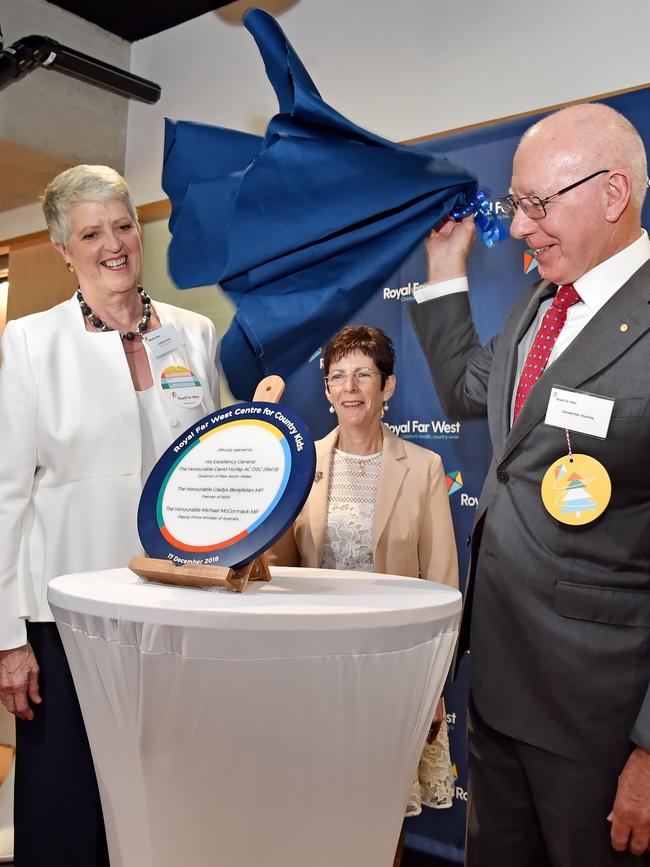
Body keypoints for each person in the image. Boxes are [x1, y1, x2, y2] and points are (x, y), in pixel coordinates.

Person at [409, 103, 650, 866]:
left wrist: (649, 750)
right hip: (501, 685)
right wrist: (444, 271)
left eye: (537, 205)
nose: (517, 228)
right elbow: (464, 391)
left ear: (613, 194)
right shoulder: (541, 303)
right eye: (516, 205)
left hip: (599, 720)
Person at [0, 164, 221, 867]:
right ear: (64, 248)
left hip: (173, 608)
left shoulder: (194, 332)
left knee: (165, 788)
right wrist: (7, 636)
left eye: (124, 225)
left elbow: (214, 465)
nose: (114, 244)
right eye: (91, 232)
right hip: (66, 615)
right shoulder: (32, 342)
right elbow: (6, 493)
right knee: (67, 799)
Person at [267, 324, 459, 863]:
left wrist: (432, 683)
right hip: (309, 664)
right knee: (315, 805)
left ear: (387, 387)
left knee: (384, 808)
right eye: (337, 376)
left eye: (363, 375)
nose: (350, 387)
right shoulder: (299, 463)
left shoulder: (423, 468)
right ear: (327, 390)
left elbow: (442, 584)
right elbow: (277, 569)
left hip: (390, 669)